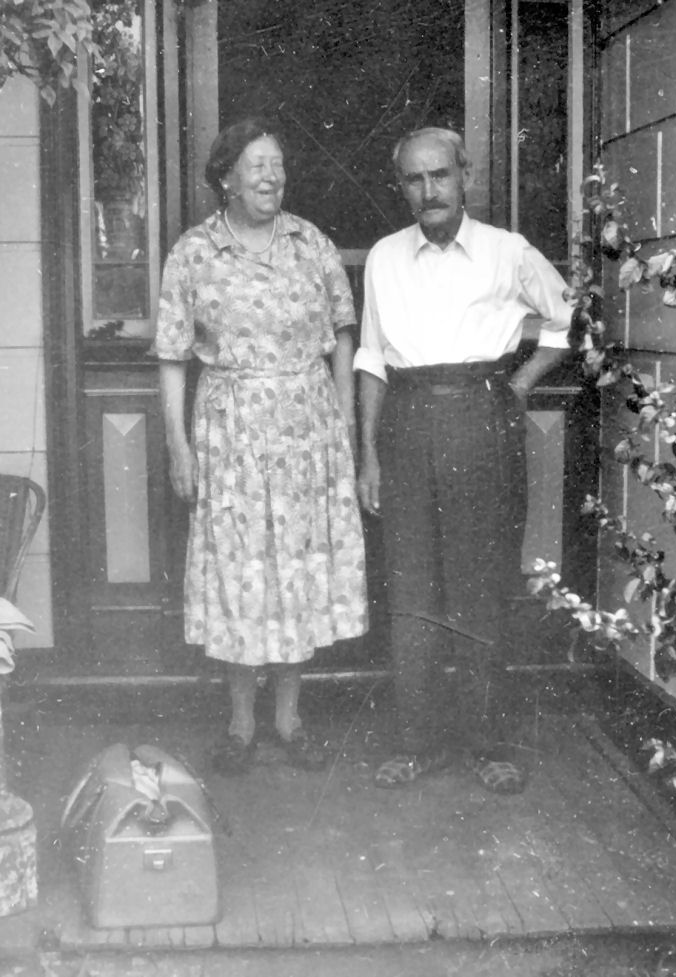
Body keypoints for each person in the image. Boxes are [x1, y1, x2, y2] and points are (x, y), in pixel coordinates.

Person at [355, 126, 572, 792]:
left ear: (465, 176)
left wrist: (520, 384)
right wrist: (369, 455)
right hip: (406, 419)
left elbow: (567, 318)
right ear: (403, 188)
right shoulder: (385, 257)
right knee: (411, 589)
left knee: (482, 582)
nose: (429, 191)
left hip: (483, 417)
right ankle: (415, 743)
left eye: (440, 175)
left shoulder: (508, 251)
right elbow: (372, 358)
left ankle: (486, 745)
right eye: (414, 179)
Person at [153, 117, 368, 775]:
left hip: (307, 432)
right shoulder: (194, 252)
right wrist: (178, 447)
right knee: (241, 573)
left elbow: (343, 334)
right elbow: (171, 356)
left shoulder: (310, 243)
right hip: (232, 436)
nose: (271, 176)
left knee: (295, 571)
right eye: (256, 165)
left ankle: (290, 719)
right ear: (226, 177)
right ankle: (241, 722)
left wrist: (344, 426)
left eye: (277, 164)